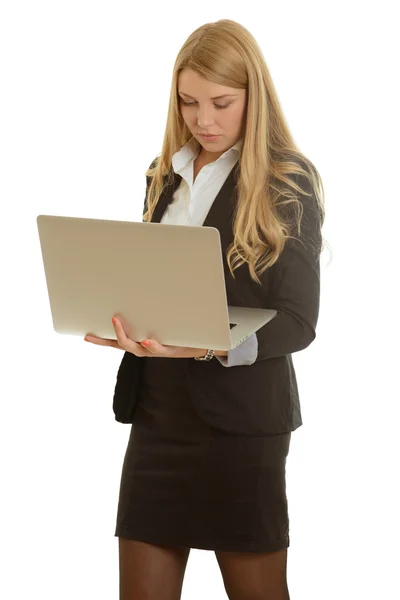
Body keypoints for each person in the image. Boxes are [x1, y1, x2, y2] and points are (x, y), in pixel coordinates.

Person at [84, 18, 325, 600]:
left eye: (221, 103)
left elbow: (299, 321)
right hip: (158, 413)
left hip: (242, 427)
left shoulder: (287, 183)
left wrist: (209, 344)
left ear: (254, 97)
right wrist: (126, 322)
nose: (203, 120)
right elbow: (160, 286)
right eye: (188, 102)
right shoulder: (162, 175)